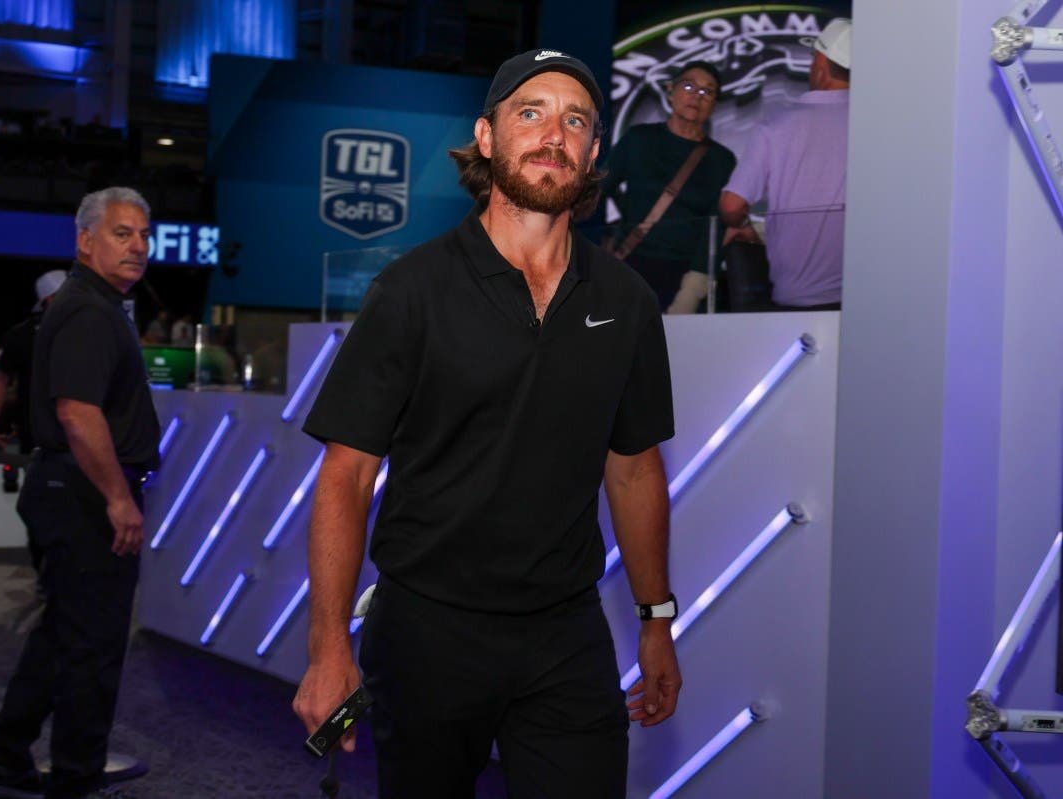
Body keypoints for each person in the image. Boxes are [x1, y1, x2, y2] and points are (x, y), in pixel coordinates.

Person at [293, 49, 679, 798]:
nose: (554, 135)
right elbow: (347, 474)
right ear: (487, 135)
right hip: (427, 629)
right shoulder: (411, 289)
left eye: (575, 121)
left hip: (566, 632)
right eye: (530, 113)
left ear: (593, 150)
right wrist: (327, 645)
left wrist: (656, 618)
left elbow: (634, 468)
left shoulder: (626, 300)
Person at [0, 187, 160, 799]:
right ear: (85, 240)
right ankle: (74, 778)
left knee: (64, 637)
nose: (138, 246)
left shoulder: (89, 305)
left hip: (69, 487)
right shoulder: (90, 310)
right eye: (122, 233)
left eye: (144, 235)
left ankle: (5, 756)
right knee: (93, 648)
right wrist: (118, 499)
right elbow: (76, 412)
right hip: (85, 493)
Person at [719, 18, 851, 310]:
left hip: (797, 299)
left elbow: (731, 206)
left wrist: (745, 227)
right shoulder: (876, 125)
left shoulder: (776, 126)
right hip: (871, 298)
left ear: (820, 63)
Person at [601, 61, 736, 313]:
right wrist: (600, 242)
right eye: (689, 86)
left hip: (684, 274)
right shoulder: (639, 139)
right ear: (670, 91)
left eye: (707, 91)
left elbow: (715, 229)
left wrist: (693, 289)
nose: (697, 96)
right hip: (630, 264)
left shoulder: (721, 160)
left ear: (714, 104)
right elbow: (598, 189)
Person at [0, 268, 66, 507]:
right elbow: (2, 379)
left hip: (66, 432)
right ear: (49, 299)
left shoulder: (85, 328)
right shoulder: (22, 335)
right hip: (44, 432)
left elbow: (2, 380)